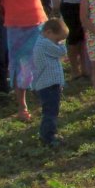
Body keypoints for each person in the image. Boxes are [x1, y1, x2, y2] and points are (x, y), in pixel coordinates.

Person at [32, 18, 68, 148]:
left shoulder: (43, 42)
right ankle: (48, 137)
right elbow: (62, 52)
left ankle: (48, 134)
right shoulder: (44, 44)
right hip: (49, 85)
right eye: (57, 39)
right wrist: (63, 43)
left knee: (51, 111)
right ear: (48, 32)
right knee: (50, 112)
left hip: (50, 84)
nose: (58, 43)